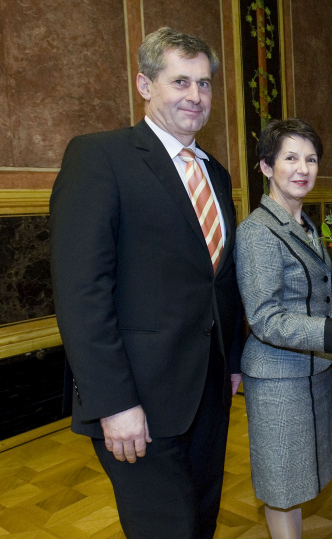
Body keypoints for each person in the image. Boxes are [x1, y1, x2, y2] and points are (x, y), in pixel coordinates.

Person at [49, 27, 243, 538]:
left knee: (200, 521)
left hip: (205, 393)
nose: (195, 96)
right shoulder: (99, 157)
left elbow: (216, 282)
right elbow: (81, 291)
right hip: (136, 399)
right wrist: (113, 403)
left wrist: (233, 361)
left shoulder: (216, 174)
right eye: (180, 81)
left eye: (204, 84)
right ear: (144, 84)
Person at [234, 118, 332, 539]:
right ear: (265, 167)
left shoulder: (307, 225)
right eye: (290, 158)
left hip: (308, 372)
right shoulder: (257, 231)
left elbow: (309, 298)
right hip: (277, 378)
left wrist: (325, 360)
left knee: (298, 483)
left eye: (311, 159)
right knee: (282, 488)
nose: (303, 168)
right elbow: (265, 317)